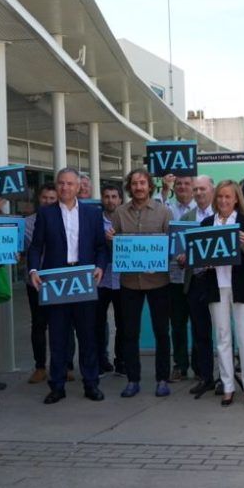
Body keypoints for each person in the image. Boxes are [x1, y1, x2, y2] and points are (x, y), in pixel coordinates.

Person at [28, 168, 108, 404]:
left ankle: (91, 383)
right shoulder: (45, 213)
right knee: (58, 336)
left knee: (87, 335)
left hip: (83, 279)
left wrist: (100, 266)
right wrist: (33, 269)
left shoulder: (92, 213)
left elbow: (101, 247)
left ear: (78, 187)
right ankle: (57, 385)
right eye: (61, 183)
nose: (65, 188)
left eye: (70, 184)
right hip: (57, 281)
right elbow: (35, 247)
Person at [188, 180, 244, 405]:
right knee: (222, 337)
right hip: (215, 286)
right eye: (220, 197)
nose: (224, 201)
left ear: (236, 199)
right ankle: (227, 386)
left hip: (242, 287)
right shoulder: (207, 223)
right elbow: (197, 262)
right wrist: (204, 263)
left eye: (228, 197)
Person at [107, 168, 173, 398]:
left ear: (150, 186)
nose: (139, 187)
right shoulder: (119, 213)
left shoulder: (164, 212)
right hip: (129, 283)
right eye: (134, 183)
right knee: (129, 333)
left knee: (161, 332)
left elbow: (171, 247)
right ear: (129, 187)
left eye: (142, 183)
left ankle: (162, 379)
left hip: (158, 282)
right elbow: (113, 248)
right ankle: (133, 380)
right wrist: (110, 241)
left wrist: (162, 256)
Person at [23, 182, 74, 384]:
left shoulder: (67, 220)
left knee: (65, 324)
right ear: (39, 199)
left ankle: (67, 365)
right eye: (45, 198)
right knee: (39, 324)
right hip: (36, 281)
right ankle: (40, 367)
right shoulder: (26, 223)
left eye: (52, 198)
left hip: (61, 280)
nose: (48, 201)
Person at [172, 175, 215, 395]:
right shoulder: (186, 218)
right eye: (196, 189)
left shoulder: (221, 216)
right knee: (200, 332)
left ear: (212, 190)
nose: (198, 193)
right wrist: (180, 258)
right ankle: (205, 375)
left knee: (224, 331)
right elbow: (180, 250)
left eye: (202, 189)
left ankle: (227, 376)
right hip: (194, 281)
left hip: (217, 282)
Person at [166, 175, 197, 382]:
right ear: (173, 187)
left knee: (199, 324)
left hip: (195, 278)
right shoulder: (166, 208)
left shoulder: (204, 209)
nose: (183, 187)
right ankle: (180, 365)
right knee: (177, 325)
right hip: (173, 277)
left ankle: (199, 366)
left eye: (187, 183)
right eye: (179, 184)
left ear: (193, 187)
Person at [98, 183, 125, 375]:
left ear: (120, 199)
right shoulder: (94, 219)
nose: (110, 200)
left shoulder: (127, 219)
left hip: (123, 278)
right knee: (98, 322)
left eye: (114, 196)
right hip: (101, 279)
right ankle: (101, 360)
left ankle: (121, 360)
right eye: (107, 196)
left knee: (123, 322)